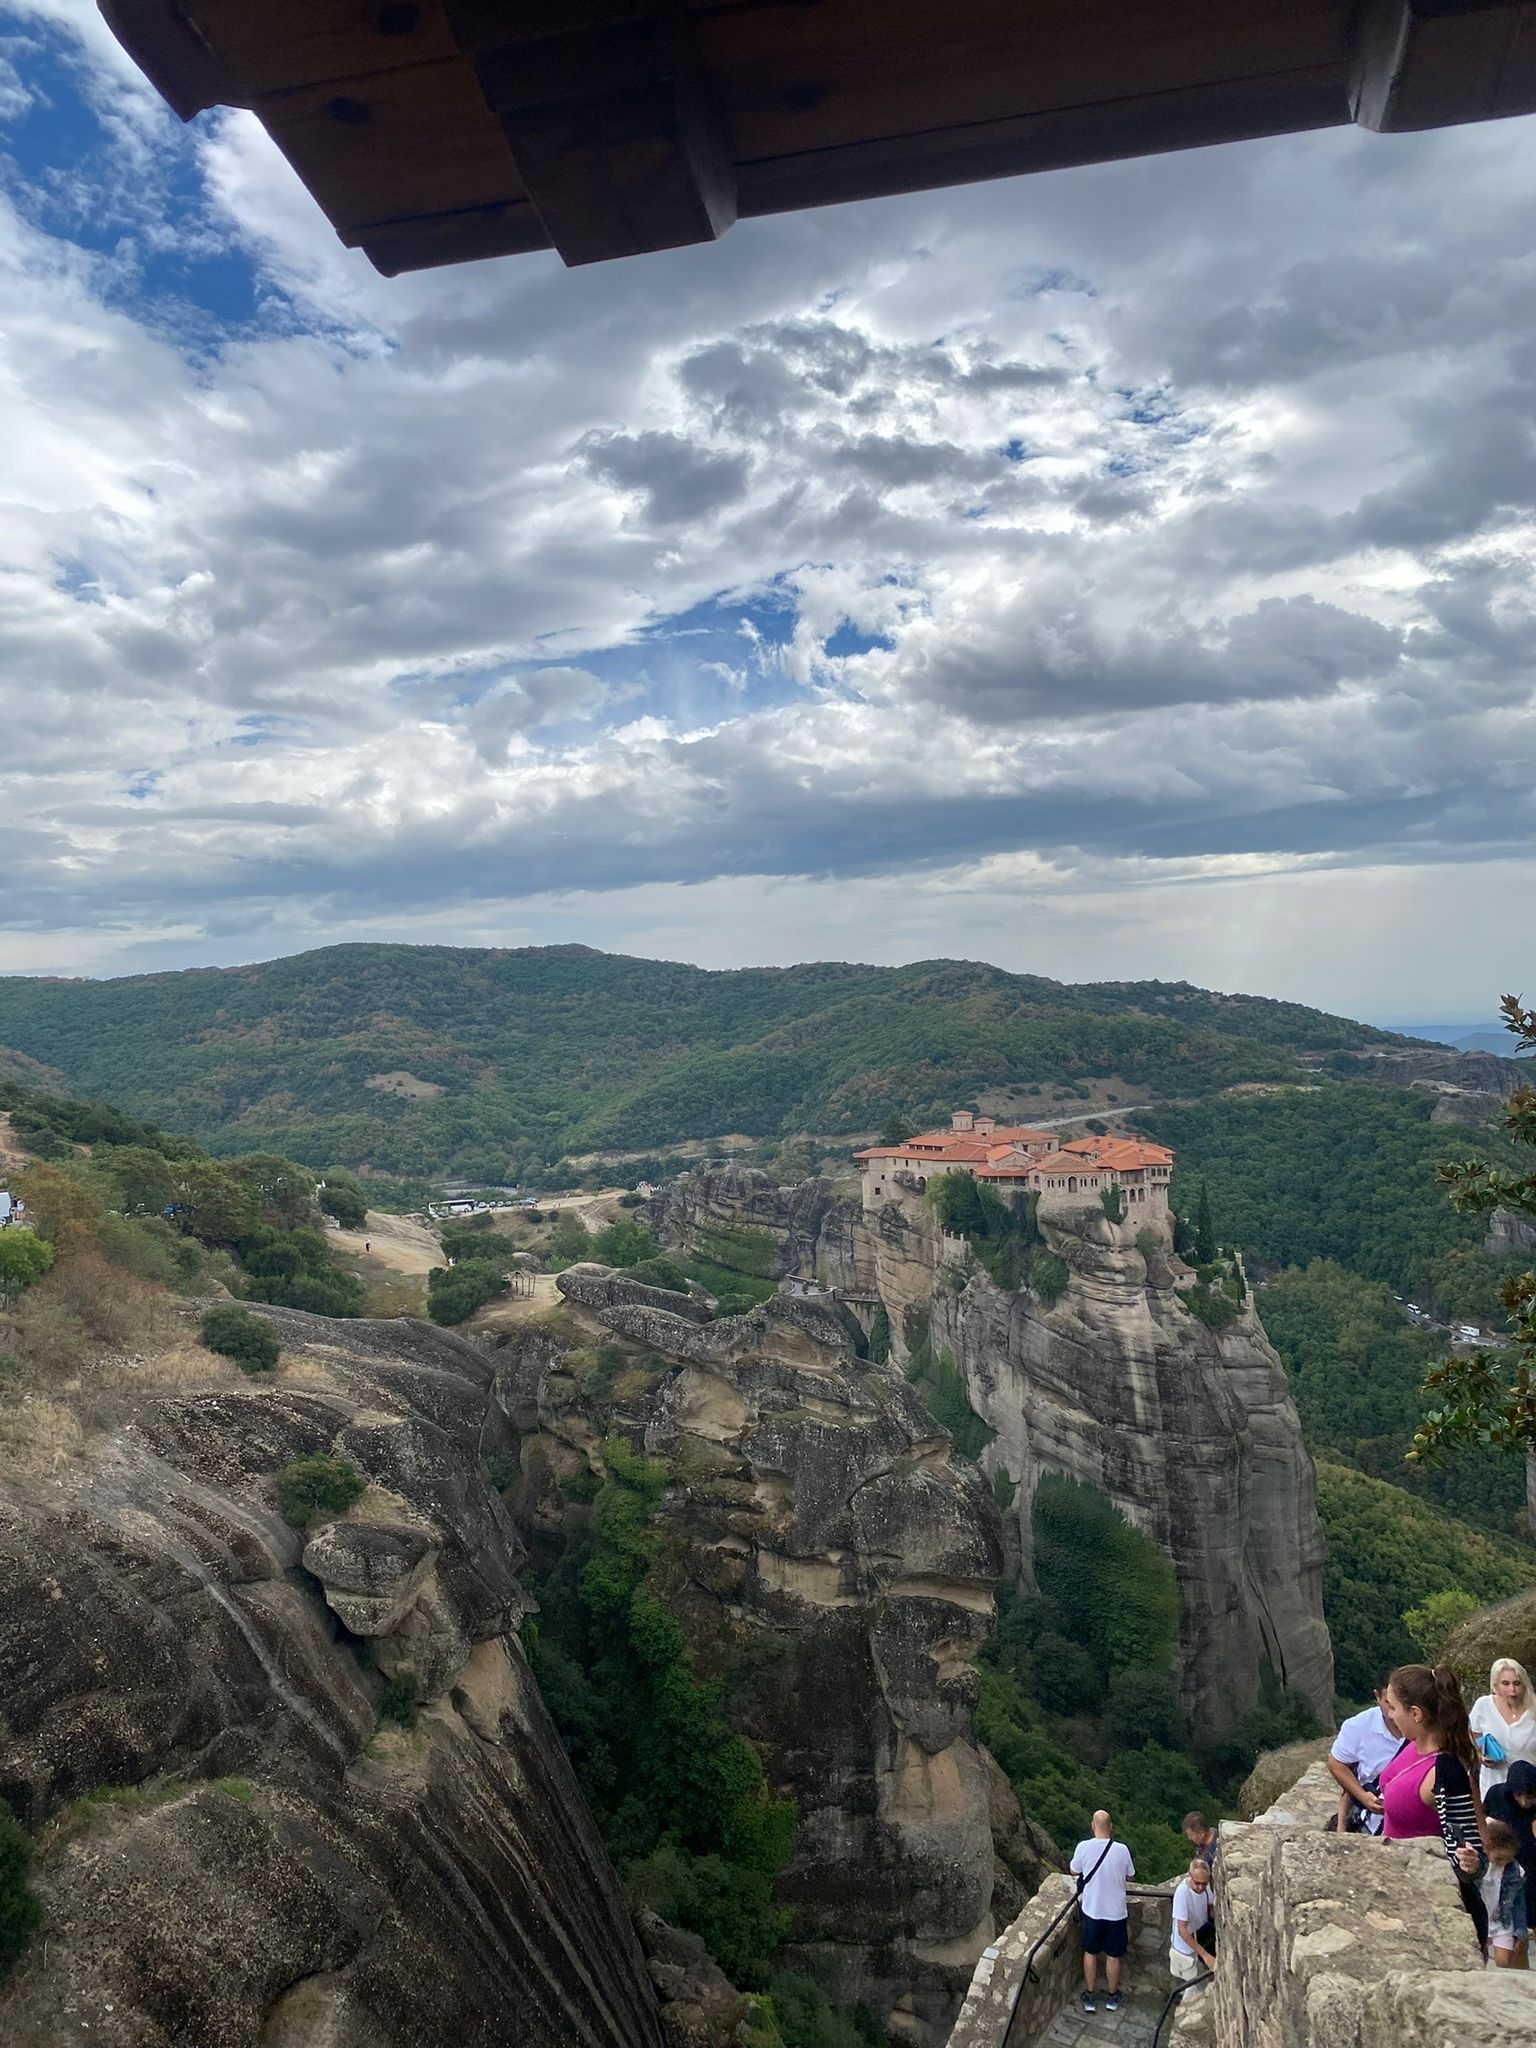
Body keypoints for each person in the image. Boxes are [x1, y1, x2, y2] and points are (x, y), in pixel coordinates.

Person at [1381, 1664, 1489, 1951]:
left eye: (1393, 1707)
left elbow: (1471, 1857)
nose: (1389, 1714)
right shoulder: (1411, 1745)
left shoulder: (1447, 1770)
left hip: (1430, 1913)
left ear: (1415, 1714)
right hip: (1400, 1894)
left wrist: (1469, 1861)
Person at [1070, 1809, 1135, 2015]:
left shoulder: (1083, 1847)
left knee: (1090, 1952)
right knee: (1113, 1956)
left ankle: (1089, 1994)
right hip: (1116, 1911)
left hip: (1092, 1910)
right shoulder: (1122, 1850)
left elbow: (1074, 1870)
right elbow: (1130, 1876)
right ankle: (1112, 1996)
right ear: (1111, 1827)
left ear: (1092, 1825)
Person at [1327, 1684, 1403, 1834]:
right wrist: (1362, 1797)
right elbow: (1337, 1764)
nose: (1393, 1713)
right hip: (1373, 1822)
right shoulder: (1359, 1726)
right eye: (1389, 1703)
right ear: (1377, 1696)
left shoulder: (1426, 1728)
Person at [1470, 1659, 1536, 1796]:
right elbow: (1472, 1737)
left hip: (1529, 1792)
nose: (1512, 1690)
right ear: (1496, 1685)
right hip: (1493, 1788)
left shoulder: (1533, 1709)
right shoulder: (1483, 1706)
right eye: (1505, 1683)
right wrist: (1480, 1755)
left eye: (1517, 1683)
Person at [1486, 1758, 1536, 1938]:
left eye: (1530, 1797)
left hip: (1531, 1865)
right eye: (1519, 1795)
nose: (1524, 1802)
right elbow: (1485, 1820)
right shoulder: (1497, 1794)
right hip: (1503, 1862)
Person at [1480, 1819, 1530, 1968]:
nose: (1503, 1862)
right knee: (1479, 1958)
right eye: (1499, 1858)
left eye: (1508, 1859)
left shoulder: (1514, 1872)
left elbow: (1519, 1904)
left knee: (1503, 1961)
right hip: (1481, 1919)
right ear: (1486, 1849)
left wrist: (1520, 1930)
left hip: (1501, 1920)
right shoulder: (1479, 1867)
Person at [1169, 1859, 1215, 1984]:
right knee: (1194, 1985)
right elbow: (1182, 1930)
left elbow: (1210, 1907)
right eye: (1197, 1883)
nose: (1200, 1887)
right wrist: (1205, 1956)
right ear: (1189, 1875)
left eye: (1204, 1884)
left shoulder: (1206, 1889)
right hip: (1187, 1949)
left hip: (1201, 1938)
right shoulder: (1182, 1893)